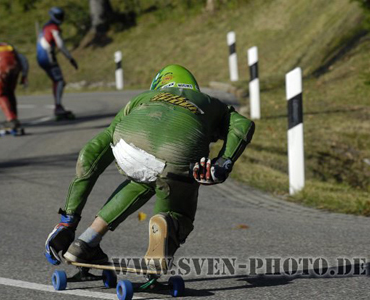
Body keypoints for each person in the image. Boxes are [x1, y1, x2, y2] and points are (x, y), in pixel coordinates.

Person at [44, 64, 255, 268]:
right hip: (177, 153)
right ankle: (165, 233)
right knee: (179, 201)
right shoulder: (209, 102)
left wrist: (68, 219)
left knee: (143, 180)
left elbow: (89, 156)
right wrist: (223, 162)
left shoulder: (142, 98)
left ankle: (86, 242)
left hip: (128, 149)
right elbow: (243, 125)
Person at [37, 7, 78, 118]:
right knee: (59, 81)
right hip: (48, 57)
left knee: (57, 81)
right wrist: (70, 59)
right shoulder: (53, 28)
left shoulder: (45, 26)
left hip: (42, 56)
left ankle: (58, 105)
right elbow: (61, 45)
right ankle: (58, 106)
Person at [0, 37, 29, 131]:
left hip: (2, 67)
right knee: (10, 92)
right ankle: (15, 118)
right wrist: (24, 75)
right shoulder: (5, 45)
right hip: (15, 67)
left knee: (0, 94)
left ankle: (11, 119)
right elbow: (23, 59)